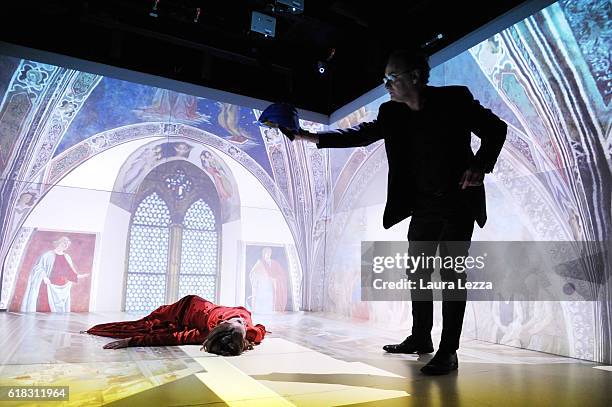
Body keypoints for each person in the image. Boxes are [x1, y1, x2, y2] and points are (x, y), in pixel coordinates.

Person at [281, 47, 507, 375]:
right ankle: (420, 337)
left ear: (415, 77)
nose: (386, 84)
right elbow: (359, 136)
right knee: (417, 274)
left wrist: (479, 166)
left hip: (458, 204)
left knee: (451, 276)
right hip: (424, 208)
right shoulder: (392, 113)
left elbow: (495, 129)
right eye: (385, 78)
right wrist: (305, 136)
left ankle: (449, 351)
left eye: (391, 77)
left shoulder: (455, 100)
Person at [85, 295, 267, 356]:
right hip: (188, 304)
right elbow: (261, 329)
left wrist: (131, 341)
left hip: (188, 312)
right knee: (153, 318)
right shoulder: (252, 333)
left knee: (151, 325)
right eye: (240, 323)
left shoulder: (205, 333)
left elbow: (173, 338)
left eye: (241, 323)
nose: (242, 320)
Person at [20, 236, 89, 312]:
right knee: (46, 310)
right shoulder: (47, 255)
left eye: (67, 245)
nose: (65, 246)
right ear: (59, 243)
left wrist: (80, 276)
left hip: (62, 288)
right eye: (64, 244)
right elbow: (38, 268)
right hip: (48, 287)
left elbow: (71, 273)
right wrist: (44, 277)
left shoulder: (67, 257)